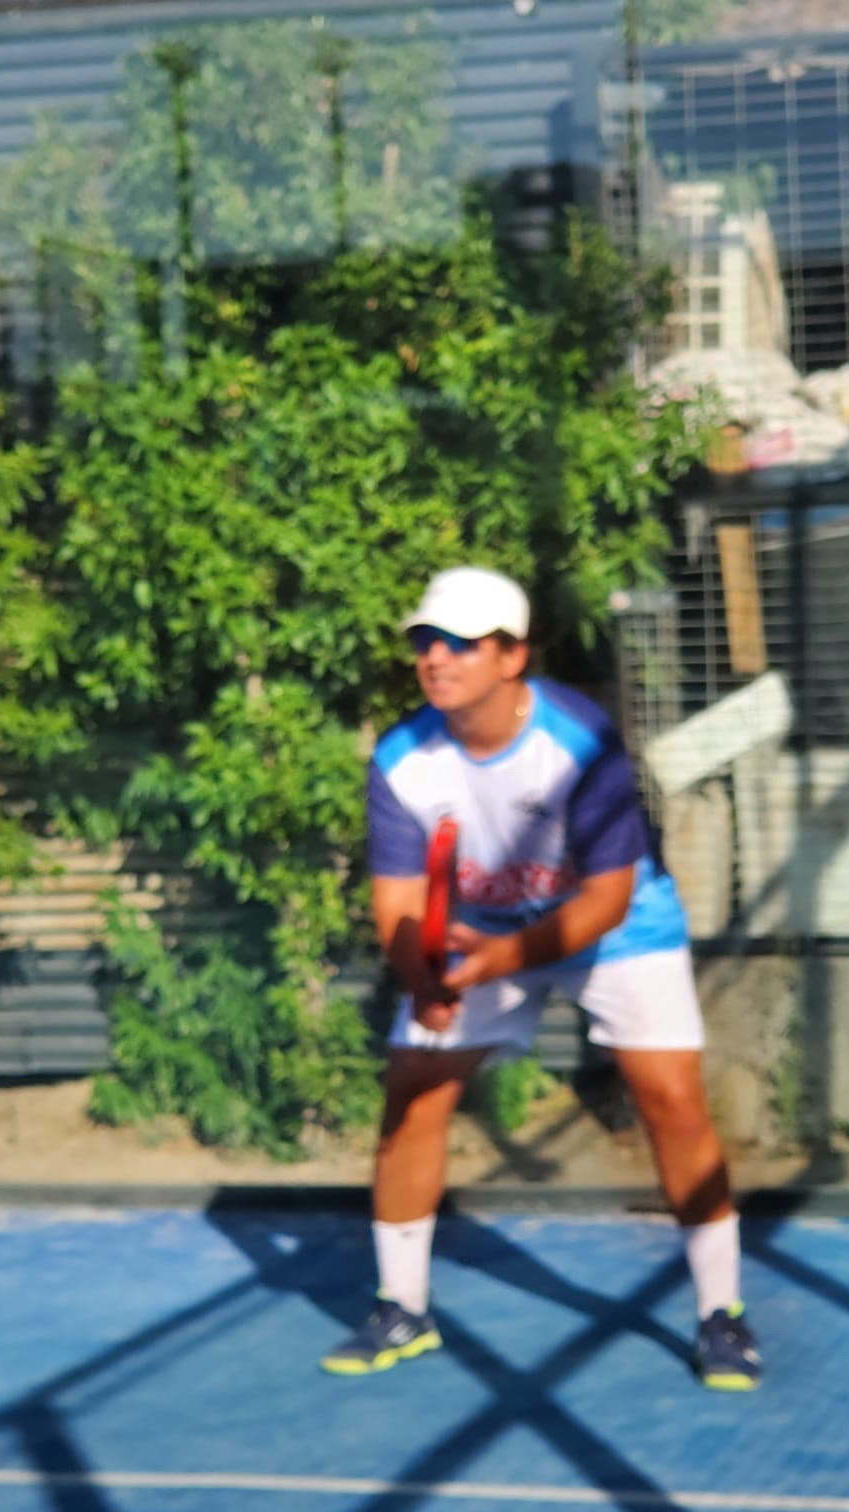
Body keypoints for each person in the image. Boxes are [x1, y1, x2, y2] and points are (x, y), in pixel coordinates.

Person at [321, 566, 761, 1390]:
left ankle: (721, 1315)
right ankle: (402, 1308)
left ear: (512, 655)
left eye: (460, 643)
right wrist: (424, 979)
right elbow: (399, 904)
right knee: (412, 1089)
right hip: (482, 934)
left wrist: (500, 961)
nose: (436, 657)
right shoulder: (403, 759)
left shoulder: (578, 742)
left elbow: (607, 898)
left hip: (617, 926)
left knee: (671, 1098)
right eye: (426, 641)